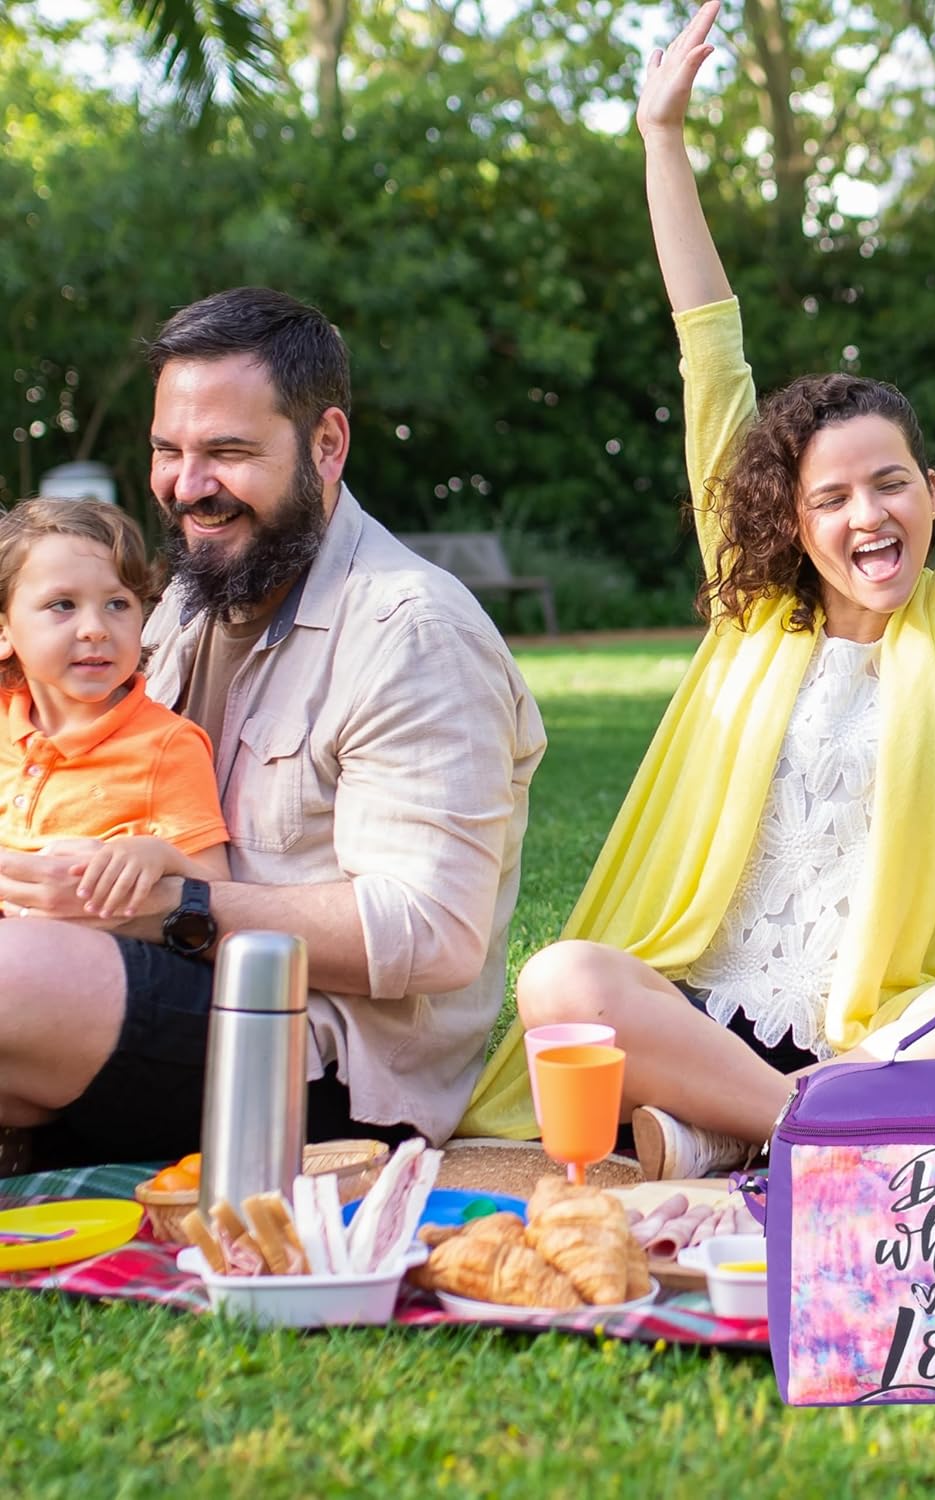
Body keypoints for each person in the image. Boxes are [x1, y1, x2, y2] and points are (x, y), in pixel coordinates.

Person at [458, 0, 935, 1178]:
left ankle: (730, 1130)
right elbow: (709, 346)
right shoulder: (753, 606)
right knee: (563, 980)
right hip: (701, 1004)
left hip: (885, 1035)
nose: (867, 515)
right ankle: (803, 1129)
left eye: (890, 485)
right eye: (833, 499)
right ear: (791, 523)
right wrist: (662, 138)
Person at [0, 287, 546, 1174]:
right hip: (141, 985)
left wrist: (167, 910)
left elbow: (434, 932)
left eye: (227, 452)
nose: (188, 486)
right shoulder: (181, 602)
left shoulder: (412, 632)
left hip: (321, 1066)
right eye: (168, 452)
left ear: (326, 445)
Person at [0, 499, 229, 913]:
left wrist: (157, 857)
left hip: (106, 954)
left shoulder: (166, 745)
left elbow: (216, 885)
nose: (96, 629)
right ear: (4, 631)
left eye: (117, 604)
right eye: (63, 605)